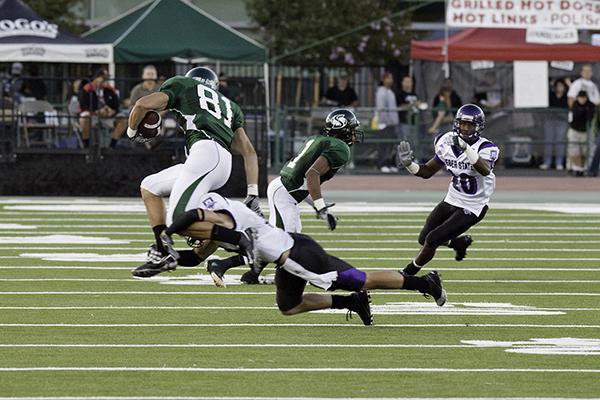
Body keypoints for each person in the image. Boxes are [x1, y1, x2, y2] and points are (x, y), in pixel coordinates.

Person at [158, 191, 447, 326]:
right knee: (289, 306)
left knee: (363, 279)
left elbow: (195, 217)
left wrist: (166, 234)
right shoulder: (223, 219)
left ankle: (425, 283)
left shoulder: (218, 216)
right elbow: (196, 257)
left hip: (297, 256)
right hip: (289, 255)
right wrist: (168, 257)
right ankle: (351, 302)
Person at [128, 66, 261, 278]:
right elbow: (249, 151)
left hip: (205, 154)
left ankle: (240, 238)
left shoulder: (183, 85)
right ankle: (162, 251)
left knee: (178, 219)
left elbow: (141, 104)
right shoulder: (230, 105)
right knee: (150, 186)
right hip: (215, 160)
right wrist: (252, 193)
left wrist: (132, 131)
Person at [206, 108, 362, 285]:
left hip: (285, 191)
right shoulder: (340, 148)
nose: (354, 133)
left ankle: (252, 274)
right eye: (352, 128)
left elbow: (302, 180)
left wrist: (315, 205)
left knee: (284, 239)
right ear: (344, 128)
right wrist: (321, 208)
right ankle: (223, 259)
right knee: (281, 242)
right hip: (285, 194)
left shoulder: (317, 140)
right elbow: (312, 175)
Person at [397, 104, 498, 276]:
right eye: (462, 124)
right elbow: (427, 171)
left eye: (469, 125)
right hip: (452, 198)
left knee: (432, 240)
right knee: (423, 238)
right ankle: (458, 244)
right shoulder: (445, 141)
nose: (465, 128)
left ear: (478, 127)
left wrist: (465, 148)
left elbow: (485, 169)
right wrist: (409, 165)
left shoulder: (486, 147)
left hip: (474, 206)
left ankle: (408, 272)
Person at [79, 68, 127, 148]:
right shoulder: (87, 88)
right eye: (103, 78)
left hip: (108, 117)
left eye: (106, 78)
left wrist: (112, 111)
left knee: (123, 119)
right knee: (84, 117)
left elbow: (117, 106)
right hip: (93, 116)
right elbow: (83, 106)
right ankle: (86, 145)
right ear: (96, 78)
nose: (105, 80)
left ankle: (112, 145)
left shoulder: (110, 90)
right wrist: (96, 111)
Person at [540, 79, 569, 171]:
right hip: (550, 121)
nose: (560, 88)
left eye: (562, 86)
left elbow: (572, 99)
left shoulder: (566, 96)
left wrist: (569, 84)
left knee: (560, 142)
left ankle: (559, 162)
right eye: (558, 86)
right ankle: (547, 162)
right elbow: (543, 94)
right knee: (548, 141)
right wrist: (550, 84)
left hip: (562, 122)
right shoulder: (551, 95)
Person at [375, 72, 399, 173]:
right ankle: (382, 164)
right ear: (384, 79)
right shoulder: (381, 92)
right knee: (383, 145)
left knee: (391, 145)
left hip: (392, 123)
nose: (391, 80)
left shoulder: (390, 92)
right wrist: (384, 122)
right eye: (389, 78)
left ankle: (389, 163)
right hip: (385, 124)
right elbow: (381, 109)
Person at [567, 90, 595, 176]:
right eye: (580, 98)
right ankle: (576, 168)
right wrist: (583, 111)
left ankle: (583, 168)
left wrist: (584, 111)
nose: (582, 100)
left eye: (584, 98)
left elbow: (590, 116)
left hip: (585, 131)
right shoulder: (575, 104)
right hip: (574, 130)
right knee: (574, 150)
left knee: (585, 151)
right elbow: (575, 115)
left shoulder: (590, 105)